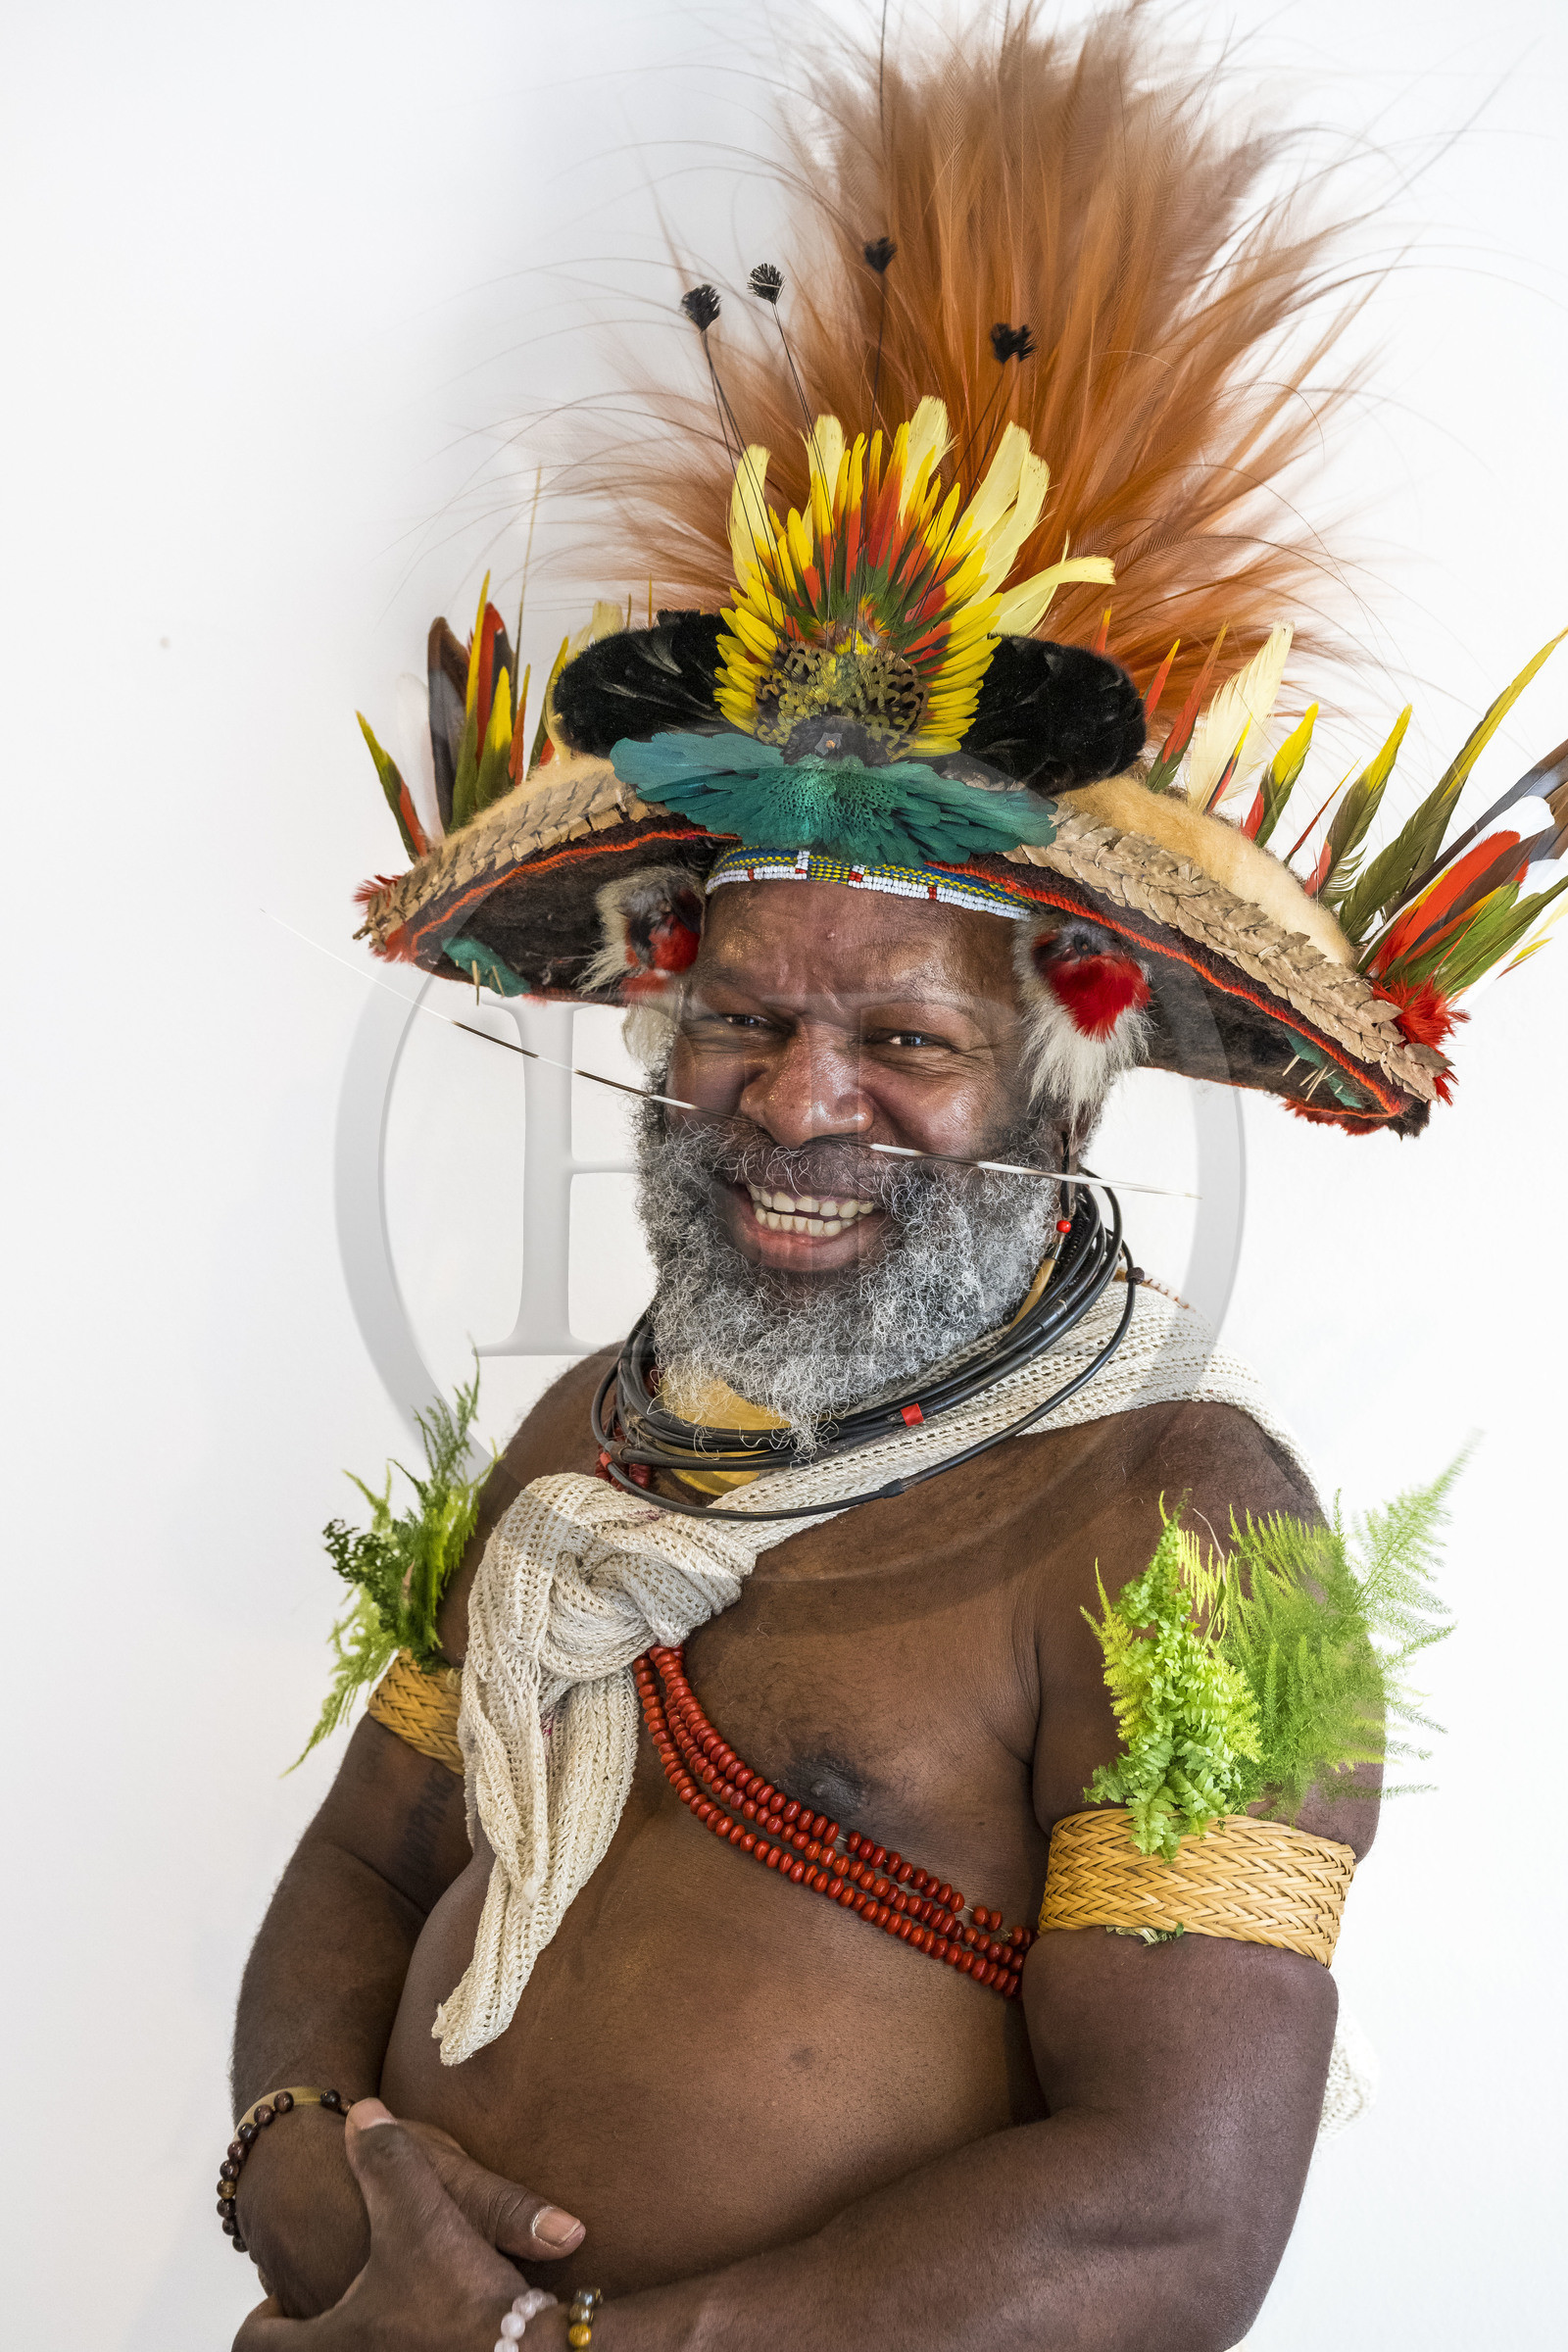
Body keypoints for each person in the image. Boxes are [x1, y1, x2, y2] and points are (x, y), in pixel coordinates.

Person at [223, 11, 1563, 2347]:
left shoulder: (1202, 1528)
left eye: (905, 1041)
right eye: (741, 1018)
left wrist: (573, 2350)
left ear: (1067, 1081)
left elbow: (1169, 2220)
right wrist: (304, 2195)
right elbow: (362, 1856)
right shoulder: (595, 1431)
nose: (794, 1100)